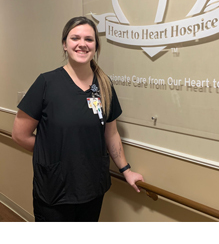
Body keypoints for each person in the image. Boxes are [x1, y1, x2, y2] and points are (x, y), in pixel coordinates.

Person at [12, 16, 144, 222]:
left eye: (89, 39)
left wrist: (126, 170)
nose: (82, 44)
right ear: (65, 45)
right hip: (54, 188)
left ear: (96, 46)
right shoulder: (47, 82)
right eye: (75, 38)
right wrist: (54, 153)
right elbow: (20, 135)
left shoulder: (105, 85)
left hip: (92, 186)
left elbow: (111, 134)